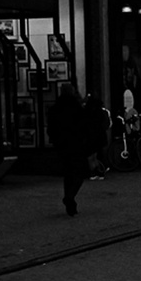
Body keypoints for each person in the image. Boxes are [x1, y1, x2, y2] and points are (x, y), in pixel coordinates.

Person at [49, 84, 86, 215]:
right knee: (79, 173)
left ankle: (69, 200)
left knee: (68, 173)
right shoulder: (76, 107)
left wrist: (54, 140)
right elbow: (83, 126)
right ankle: (70, 197)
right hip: (76, 144)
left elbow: (51, 127)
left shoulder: (55, 108)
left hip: (62, 145)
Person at [83, 94, 110, 179]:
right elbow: (106, 124)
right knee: (98, 155)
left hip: (90, 136)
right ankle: (100, 172)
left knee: (91, 156)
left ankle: (93, 173)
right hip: (100, 136)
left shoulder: (86, 113)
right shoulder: (101, 112)